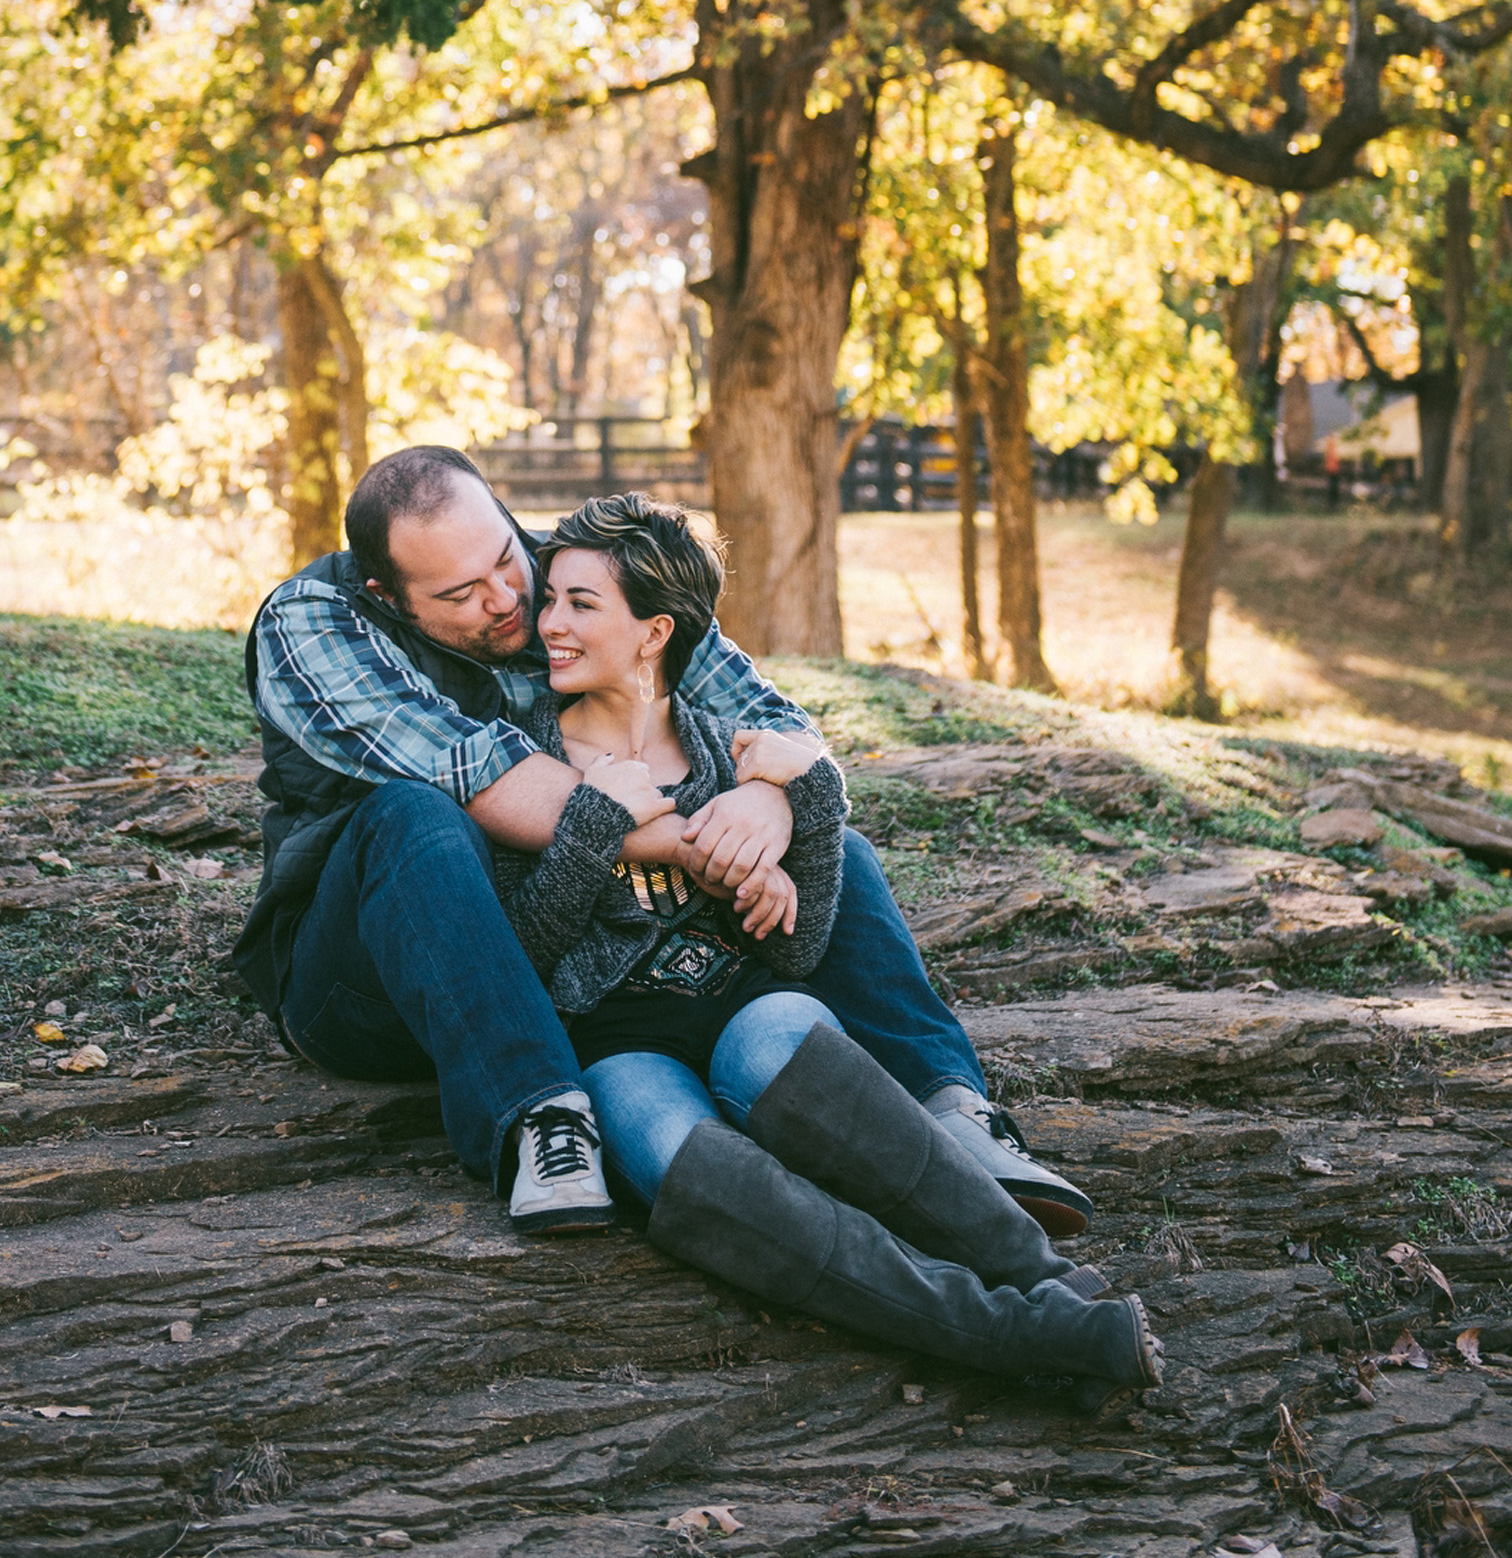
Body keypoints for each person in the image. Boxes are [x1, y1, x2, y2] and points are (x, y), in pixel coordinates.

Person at [231, 444, 1092, 1238]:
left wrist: (771, 802)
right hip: (370, 975)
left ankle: (955, 1114)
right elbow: (479, 775)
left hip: (562, 947)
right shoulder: (316, 623)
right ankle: (542, 1119)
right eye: (458, 596)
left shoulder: (571, 572)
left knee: (842, 853)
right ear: (390, 596)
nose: (507, 601)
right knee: (415, 815)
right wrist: (696, 841)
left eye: (502, 558)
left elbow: (778, 725)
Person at [485, 496, 1161, 1392]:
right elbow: (521, 955)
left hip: (747, 1008)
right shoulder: (518, 760)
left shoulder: (738, 755)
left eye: (580, 604)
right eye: (552, 599)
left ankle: (1047, 1281)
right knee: (702, 1173)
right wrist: (594, 825)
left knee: (795, 1042)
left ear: (653, 631)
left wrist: (801, 818)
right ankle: (1014, 1339)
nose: (549, 625)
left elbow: (800, 957)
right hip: (615, 1046)